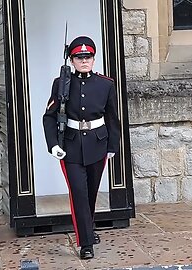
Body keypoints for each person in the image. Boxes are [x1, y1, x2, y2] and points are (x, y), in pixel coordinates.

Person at [42, 36, 120, 259]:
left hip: (97, 142)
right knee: (78, 192)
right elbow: (49, 116)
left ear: (94, 59)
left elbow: (112, 117)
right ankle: (85, 243)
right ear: (72, 59)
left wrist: (113, 145)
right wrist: (53, 144)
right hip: (71, 145)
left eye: (88, 57)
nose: (84, 60)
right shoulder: (62, 83)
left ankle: (89, 228)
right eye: (79, 57)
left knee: (91, 192)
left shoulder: (106, 84)